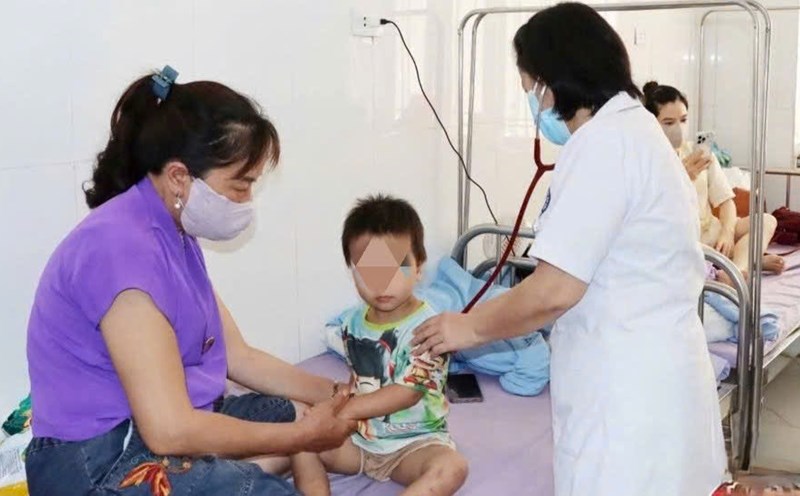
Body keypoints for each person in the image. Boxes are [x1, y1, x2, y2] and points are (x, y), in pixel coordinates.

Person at [411, 4, 728, 495]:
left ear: (552, 81)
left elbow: (553, 290)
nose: (532, 104)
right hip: (655, 381)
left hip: (626, 397)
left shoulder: (604, 145)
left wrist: (465, 327)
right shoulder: (634, 133)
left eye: (528, 90)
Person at [25, 68, 355, 496]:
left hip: (148, 429)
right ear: (180, 176)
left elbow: (239, 357)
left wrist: (343, 393)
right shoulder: (120, 250)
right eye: (241, 185)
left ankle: (255, 460)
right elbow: (169, 431)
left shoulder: (171, 233)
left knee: (285, 412)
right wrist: (304, 439)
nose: (246, 201)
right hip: (97, 464)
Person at [292, 195, 468, 496]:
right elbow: (358, 376)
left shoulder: (430, 327)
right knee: (298, 436)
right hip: (361, 442)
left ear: (418, 267)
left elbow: (407, 393)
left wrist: (344, 410)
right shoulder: (352, 323)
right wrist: (337, 404)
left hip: (413, 444)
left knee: (452, 468)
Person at [642, 81, 784, 281]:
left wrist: (727, 232)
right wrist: (684, 177)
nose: (679, 129)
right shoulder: (646, 162)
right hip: (685, 239)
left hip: (713, 231)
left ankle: (736, 270)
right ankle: (746, 262)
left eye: (683, 120)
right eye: (668, 122)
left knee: (766, 220)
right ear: (652, 123)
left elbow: (726, 201)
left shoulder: (699, 152)